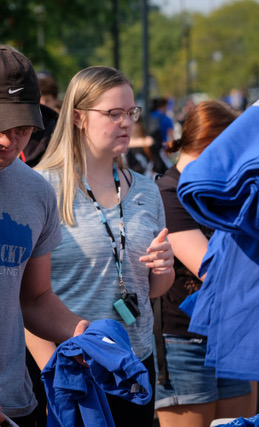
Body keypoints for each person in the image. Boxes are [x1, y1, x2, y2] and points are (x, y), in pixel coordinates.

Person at [28, 65, 174, 426]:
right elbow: (26, 297)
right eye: (113, 113)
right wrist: (53, 373)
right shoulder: (41, 188)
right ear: (78, 117)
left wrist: (165, 269)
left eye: (131, 112)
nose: (126, 122)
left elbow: (150, 290)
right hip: (73, 370)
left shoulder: (145, 189)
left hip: (134, 365)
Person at [0, 45, 89, 427]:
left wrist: (81, 333)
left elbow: (34, 298)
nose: (9, 141)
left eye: (21, 129)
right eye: (0, 125)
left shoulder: (36, 192)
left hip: (18, 402)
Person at [155, 100, 253, 426]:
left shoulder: (221, 188)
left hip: (231, 334)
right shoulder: (169, 192)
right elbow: (211, 268)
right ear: (211, 145)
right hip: (184, 342)